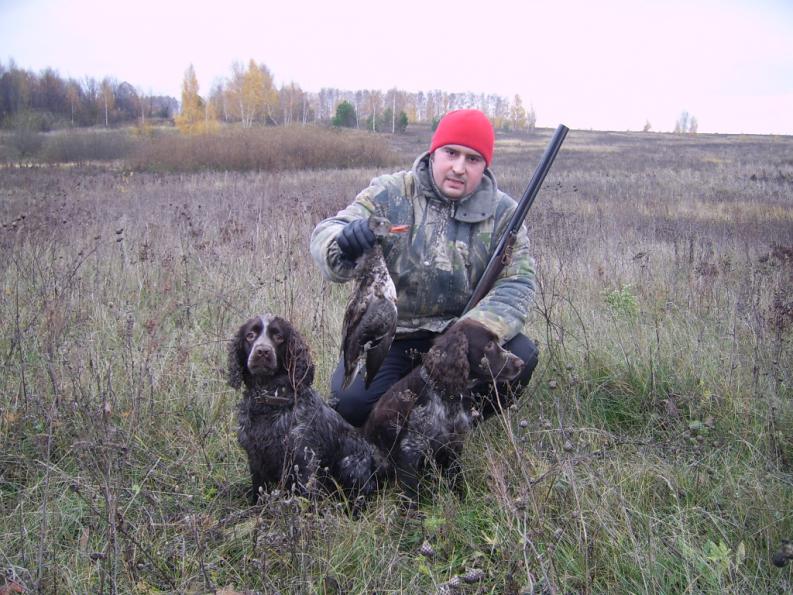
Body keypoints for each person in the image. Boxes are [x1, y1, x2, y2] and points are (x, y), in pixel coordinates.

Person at [310, 109, 538, 427]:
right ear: (434, 153)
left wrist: (467, 332)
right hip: (394, 337)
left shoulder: (504, 214)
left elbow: (517, 283)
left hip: (461, 339)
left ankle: (449, 427)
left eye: (473, 159)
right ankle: (392, 427)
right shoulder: (391, 193)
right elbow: (328, 231)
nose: (459, 168)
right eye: (451, 153)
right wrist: (343, 241)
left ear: (485, 165)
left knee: (522, 355)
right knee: (351, 404)